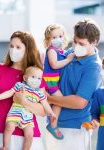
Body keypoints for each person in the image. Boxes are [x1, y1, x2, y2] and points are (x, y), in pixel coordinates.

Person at [43, 18, 102, 150]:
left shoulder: (93, 68)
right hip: (53, 125)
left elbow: (79, 102)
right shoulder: (70, 54)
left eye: (81, 43)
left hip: (75, 130)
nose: (76, 46)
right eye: (75, 41)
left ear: (94, 42)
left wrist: (48, 98)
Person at [0, 31, 46, 150]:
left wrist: (23, 101)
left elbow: (42, 111)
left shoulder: (35, 75)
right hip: (3, 134)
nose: (13, 50)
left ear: (27, 50)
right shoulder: (0, 69)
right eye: (11, 46)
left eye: (18, 47)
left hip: (29, 137)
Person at [0, 66, 56, 150]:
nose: (36, 80)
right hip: (15, 113)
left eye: (39, 78)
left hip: (28, 118)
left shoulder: (39, 93)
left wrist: (51, 113)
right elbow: (10, 93)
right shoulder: (20, 85)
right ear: (25, 78)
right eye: (33, 77)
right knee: (9, 127)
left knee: (29, 135)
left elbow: (45, 104)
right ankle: (5, 147)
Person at [42, 24, 75, 139]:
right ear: (48, 40)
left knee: (57, 101)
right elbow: (54, 65)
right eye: (54, 37)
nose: (57, 39)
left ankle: (51, 121)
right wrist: (68, 59)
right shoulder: (51, 51)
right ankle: (52, 125)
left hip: (54, 81)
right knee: (60, 100)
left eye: (60, 36)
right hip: (50, 82)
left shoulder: (60, 50)